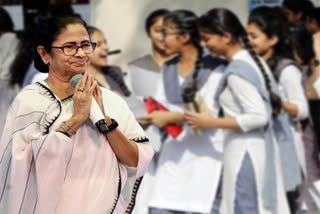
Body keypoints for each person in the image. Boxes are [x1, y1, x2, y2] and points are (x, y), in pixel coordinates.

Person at [0, 16, 154, 214]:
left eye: (86, 45)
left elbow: (136, 161)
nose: (81, 53)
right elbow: (17, 169)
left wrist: (104, 120)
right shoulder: (31, 102)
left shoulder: (110, 100)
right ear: (45, 54)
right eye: (69, 47)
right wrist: (74, 121)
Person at [189, 8, 291, 213]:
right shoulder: (252, 61)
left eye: (207, 38)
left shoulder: (238, 71)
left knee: (245, 206)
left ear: (226, 37)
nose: (204, 44)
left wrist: (210, 123)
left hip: (245, 152)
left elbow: (258, 116)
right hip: (254, 148)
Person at [137, 10, 226, 214]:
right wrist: (147, 119)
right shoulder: (167, 68)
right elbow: (159, 104)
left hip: (208, 156)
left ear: (185, 37)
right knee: (160, 206)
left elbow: (209, 115)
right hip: (173, 155)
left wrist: (171, 117)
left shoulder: (217, 68)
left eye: (166, 33)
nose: (162, 38)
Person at [247, 6, 309, 212]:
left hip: (284, 146)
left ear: (272, 39)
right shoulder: (250, 65)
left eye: (254, 36)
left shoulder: (286, 69)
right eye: (246, 35)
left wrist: (275, 102)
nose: (248, 40)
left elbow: (302, 110)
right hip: (258, 144)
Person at [128, 9, 172, 98]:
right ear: (148, 32)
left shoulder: (186, 64)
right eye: (158, 30)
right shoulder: (136, 67)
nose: (163, 36)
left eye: (168, 31)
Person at [87, 26, 131, 96]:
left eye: (105, 42)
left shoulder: (116, 71)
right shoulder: (78, 81)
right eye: (98, 44)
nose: (106, 47)